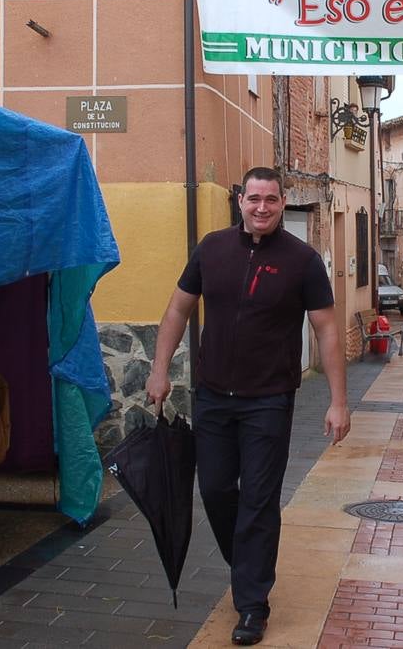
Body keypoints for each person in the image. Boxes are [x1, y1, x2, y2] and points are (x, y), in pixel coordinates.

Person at [145, 167, 349, 647]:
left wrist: (339, 402)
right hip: (213, 396)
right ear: (240, 200)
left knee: (258, 499)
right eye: (254, 198)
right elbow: (178, 309)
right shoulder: (211, 249)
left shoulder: (302, 261)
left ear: (282, 203)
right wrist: (159, 370)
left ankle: (252, 603)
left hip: (269, 401)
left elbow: (327, 329)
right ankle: (249, 561)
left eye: (271, 200)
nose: (262, 207)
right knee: (215, 491)